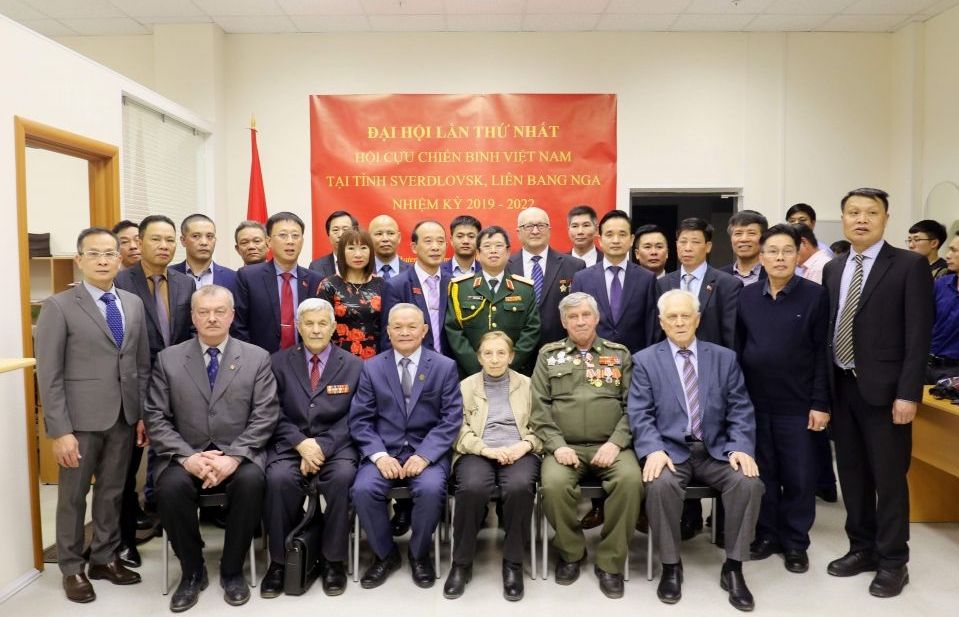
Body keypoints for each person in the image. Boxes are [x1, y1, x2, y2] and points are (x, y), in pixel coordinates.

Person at [822, 188, 933, 598]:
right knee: (851, 475)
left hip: (887, 394)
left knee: (888, 479)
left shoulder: (908, 265)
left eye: (871, 212)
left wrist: (908, 394)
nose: (861, 219)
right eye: (853, 212)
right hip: (842, 386)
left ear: (886, 219)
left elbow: (918, 334)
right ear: (843, 218)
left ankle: (893, 561)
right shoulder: (834, 268)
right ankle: (862, 548)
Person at [145, 285, 279, 611]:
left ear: (232, 315)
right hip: (185, 453)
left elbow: (265, 415)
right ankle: (192, 571)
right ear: (193, 317)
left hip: (239, 452)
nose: (212, 318)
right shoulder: (169, 359)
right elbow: (156, 417)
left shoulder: (257, 357)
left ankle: (232, 570)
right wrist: (187, 458)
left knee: (252, 482)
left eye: (220, 311)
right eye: (204, 312)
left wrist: (234, 457)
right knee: (170, 488)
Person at [628, 289, 763, 611]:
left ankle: (734, 567)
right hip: (670, 452)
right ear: (662, 322)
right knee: (659, 485)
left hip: (716, 450)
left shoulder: (724, 358)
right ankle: (671, 566)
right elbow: (640, 413)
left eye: (685, 315)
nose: (679, 322)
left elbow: (740, 408)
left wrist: (740, 447)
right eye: (672, 317)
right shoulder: (645, 360)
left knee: (749, 483)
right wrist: (653, 449)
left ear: (697, 319)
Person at [35, 227, 150, 604]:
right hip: (79, 423)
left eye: (109, 254)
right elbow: (49, 375)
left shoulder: (133, 303)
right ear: (79, 259)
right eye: (94, 254)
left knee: (113, 492)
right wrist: (60, 431)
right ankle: (71, 567)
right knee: (73, 497)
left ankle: (104, 557)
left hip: (124, 416)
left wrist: (141, 414)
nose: (103, 261)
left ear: (120, 258)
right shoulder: (59, 306)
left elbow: (140, 365)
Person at [530, 292, 641, 599]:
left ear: (596, 318)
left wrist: (616, 442)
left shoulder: (619, 354)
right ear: (564, 322)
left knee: (631, 481)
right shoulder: (548, 355)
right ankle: (571, 553)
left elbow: (635, 406)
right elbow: (539, 409)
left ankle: (610, 562)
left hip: (612, 446)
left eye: (585, 315)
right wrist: (557, 445)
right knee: (553, 485)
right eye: (573, 317)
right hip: (565, 447)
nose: (580, 321)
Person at [737, 224, 830, 573]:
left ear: (798, 255)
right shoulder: (747, 296)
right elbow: (739, 348)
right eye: (772, 251)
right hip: (756, 404)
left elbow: (822, 353)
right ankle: (767, 535)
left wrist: (820, 403)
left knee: (799, 477)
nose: (780, 258)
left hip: (798, 405)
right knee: (763, 474)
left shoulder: (815, 295)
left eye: (787, 251)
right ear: (761, 257)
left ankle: (795, 542)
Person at [349, 304, 463, 589]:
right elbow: (360, 420)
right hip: (384, 450)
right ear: (388, 331)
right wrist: (379, 456)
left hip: (427, 452)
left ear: (424, 330)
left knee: (431, 489)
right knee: (363, 490)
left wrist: (425, 455)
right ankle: (385, 554)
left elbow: (451, 419)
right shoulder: (372, 367)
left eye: (412, 326)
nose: (404, 332)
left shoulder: (444, 366)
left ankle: (419, 554)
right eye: (397, 327)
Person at [260, 298, 363, 598]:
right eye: (309, 323)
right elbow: (269, 410)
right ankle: (280, 562)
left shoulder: (354, 365)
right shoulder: (277, 362)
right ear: (298, 327)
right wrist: (301, 443)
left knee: (342, 478)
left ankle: (333, 560)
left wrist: (321, 446)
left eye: (322, 323)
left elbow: (356, 415)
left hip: (337, 446)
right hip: (290, 444)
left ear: (333, 327)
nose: (316, 330)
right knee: (278, 480)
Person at [114, 214, 195, 567]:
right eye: (156, 239)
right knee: (126, 469)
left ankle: (176, 531)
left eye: (169, 240)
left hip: (178, 387)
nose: (164, 246)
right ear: (139, 242)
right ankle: (124, 541)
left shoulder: (184, 283)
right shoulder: (120, 282)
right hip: (133, 386)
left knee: (172, 463)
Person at [658, 218, 742, 541]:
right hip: (674, 375)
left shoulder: (726, 283)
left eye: (695, 242)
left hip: (712, 376)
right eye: (682, 242)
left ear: (708, 246)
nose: (687, 248)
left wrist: (723, 373)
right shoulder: (664, 283)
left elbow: (730, 334)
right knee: (682, 444)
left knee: (714, 445)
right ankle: (688, 517)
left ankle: (721, 525)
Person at [444, 331, 542, 602]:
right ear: (479, 357)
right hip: (478, 450)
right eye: (488, 353)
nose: (495, 359)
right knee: (472, 487)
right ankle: (461, 563)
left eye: (501, 353)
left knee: (519, 487)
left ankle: (513, 563)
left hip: (519, 451)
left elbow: (542, 425)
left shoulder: (529, 385)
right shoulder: (465, 386)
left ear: (511, 356)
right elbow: (457, 429)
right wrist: (485, 449)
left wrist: (524, 446)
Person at [446, 226, 540, 377]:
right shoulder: (460, 288)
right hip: (471, 374)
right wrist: (477, 367)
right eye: (487, 246)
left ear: (508, 252)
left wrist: (508, 364)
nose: (493, 251)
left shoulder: (524, 289)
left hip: (514, 372)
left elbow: (531, 330)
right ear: (477, 254)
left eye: (499, 246)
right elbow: (454, 331)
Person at [234, 211, 323, 353]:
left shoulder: (316, 280)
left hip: (304, 360)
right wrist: (253, 360)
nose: (290, 241)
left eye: (295, 236)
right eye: (283, 235)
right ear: (268, 242)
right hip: (261, 361)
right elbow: (239, 327)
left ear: (302, 241)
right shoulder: (248, 277)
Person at [571, 210, 658, 355]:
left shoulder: (646, 279)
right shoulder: (582, 278)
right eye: (609, 234)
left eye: (622, 234)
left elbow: (651, 327)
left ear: (631, 240)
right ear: (600, 240)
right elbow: (574, 322)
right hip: (592, 360)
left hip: (634, 360)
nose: (616, 240)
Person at [508, 206, 585, 350]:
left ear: (549, 230)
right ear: (518, 233)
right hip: (517, 351)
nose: (535, 231)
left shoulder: (574, 266)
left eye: (541, 226)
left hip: (560, 350)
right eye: (529, 226)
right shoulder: (505, 266)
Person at [381, 220, 451, 355]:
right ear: (414, 247)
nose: (435, 247)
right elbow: (388, 338)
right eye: (428, 241)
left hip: (449, 364)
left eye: (440, 241)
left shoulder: (453, 283)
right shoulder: (396, 286)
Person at [316, 228, 385, 359]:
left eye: (363, 248)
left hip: (377, 358)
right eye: (351, 248)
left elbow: (388, 325)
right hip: (339, 359)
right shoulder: (329, 285)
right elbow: (321, 326)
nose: (358, 254)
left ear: (371, 252)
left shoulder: (381, 284)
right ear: (342, 252)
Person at [170, 213, 237, 296]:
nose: (204, 242)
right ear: (183, 240)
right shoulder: (168, 276)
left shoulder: (233, 278)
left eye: (210, 236)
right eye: (196, 236)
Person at [928, 231, 959, 383]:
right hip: (926, 364)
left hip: (954, 371)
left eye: (954, 250)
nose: (947, 256)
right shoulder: (941, 284)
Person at [721, 210, 768, 286]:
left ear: (764, 238)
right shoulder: (718, 277)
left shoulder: (774, 274)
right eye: (738, 233)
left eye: (751, 233)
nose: (744, 239)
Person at [309, 210, 358, 277]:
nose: (340, 235)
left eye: (345, 229)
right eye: (335, 230)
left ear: (355, 233)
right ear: (328, 235)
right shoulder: (316, 267)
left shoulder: (366, 263)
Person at [369, 214, 410, 280]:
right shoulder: (361, 272)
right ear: (369, 238)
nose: (385, 239)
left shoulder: (413, 272)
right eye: (379, 234)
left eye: (391, 233)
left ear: (399, 237)